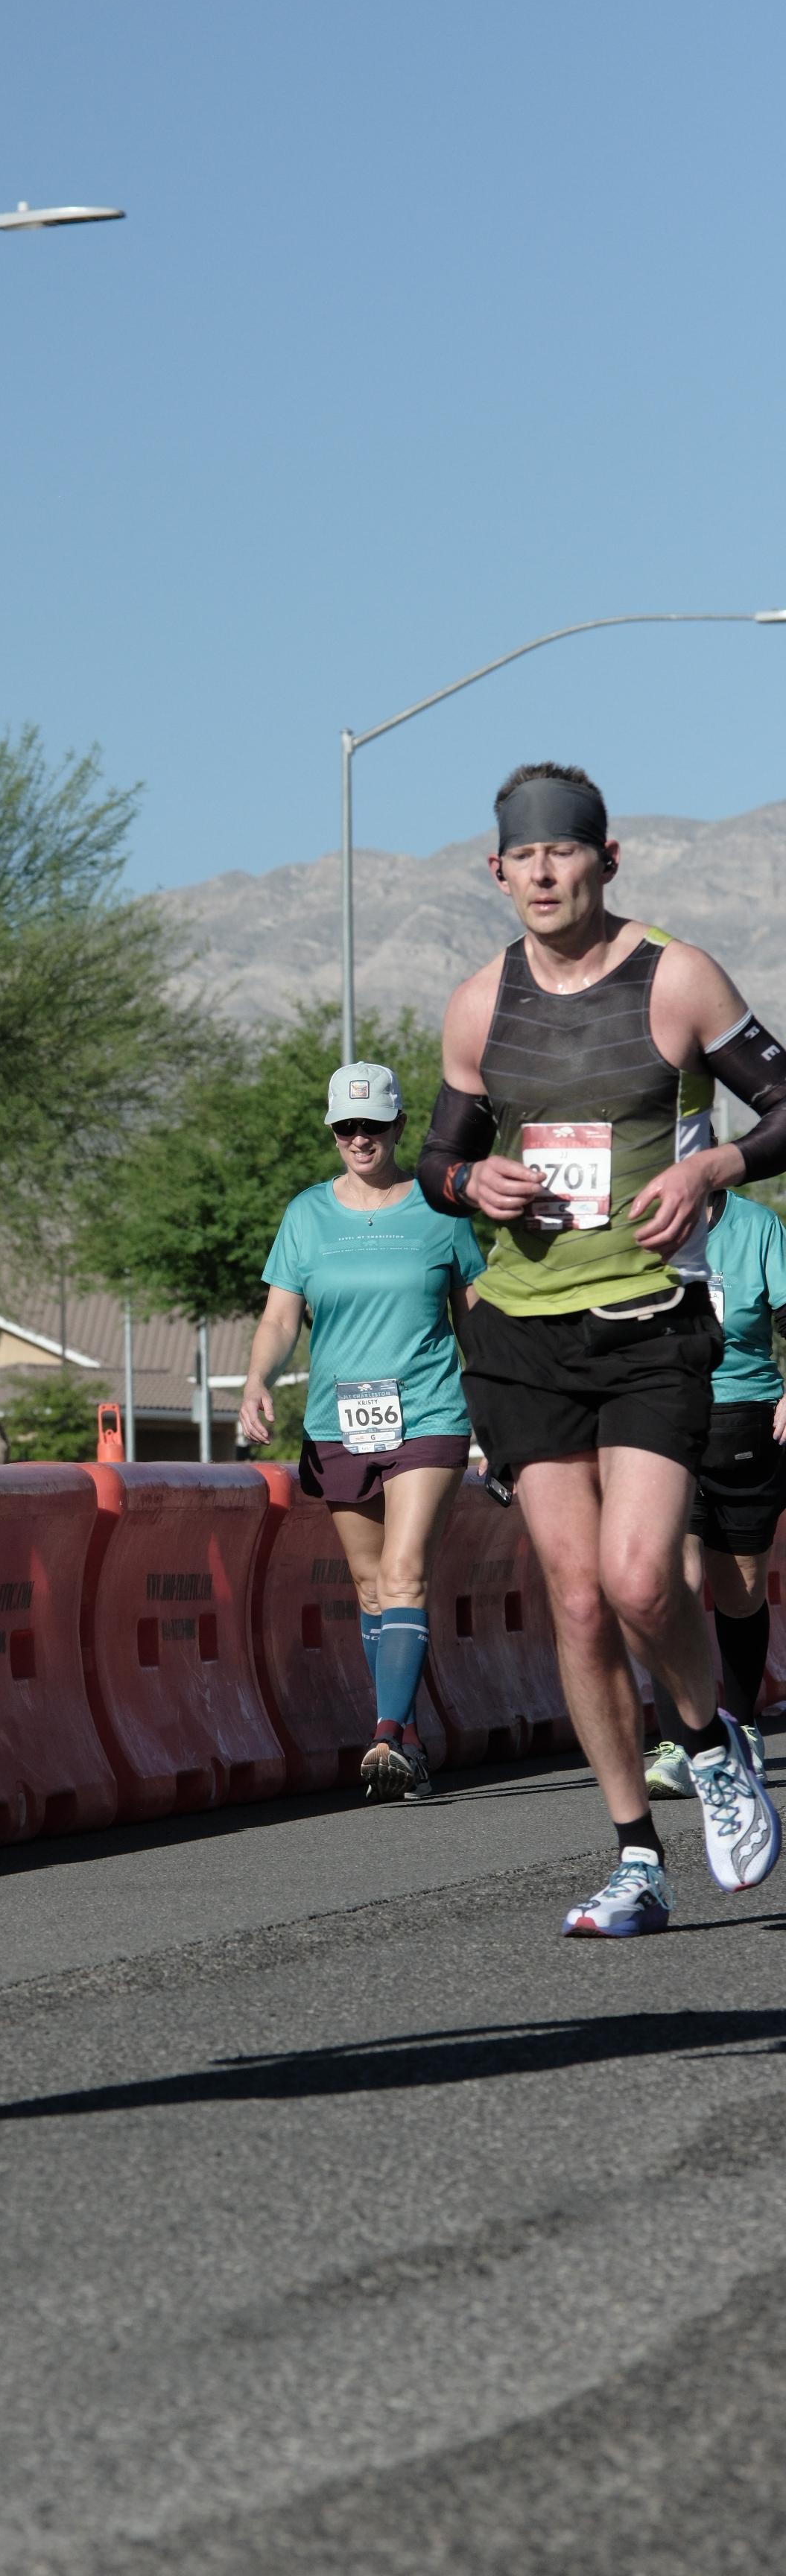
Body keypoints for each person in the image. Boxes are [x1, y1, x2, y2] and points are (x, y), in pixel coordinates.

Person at [417, 761, 786, 1935]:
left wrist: (711, 1164)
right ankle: (635, 1857)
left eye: (563, 852)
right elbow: (436, 1162)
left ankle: (709, 1740)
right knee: (578, 1603)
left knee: (639, 1579)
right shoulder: (478, 1004)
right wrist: (470, 1183)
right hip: (520, 1334)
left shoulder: (676, 978)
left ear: (606, 859)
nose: (543, 874)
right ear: (496, 871)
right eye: (522, 857)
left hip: (650, 1324)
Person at [238, 1060, 481, 1802]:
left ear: (399, 1126)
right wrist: (256, 1379)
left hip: (429, 1414)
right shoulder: (306, 1215)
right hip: (339, 1422)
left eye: (372, 1124)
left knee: (404, 1572)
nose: (359, 1138)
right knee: (372, 1588)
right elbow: (281, 1317)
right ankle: (408, 1741)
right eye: (345, 1126)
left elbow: (475, 1318)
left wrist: (503, 1406)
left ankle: (383, 1733)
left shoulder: (441, 1211)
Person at [643, 1184, 786, 1796]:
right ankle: (680, 1740)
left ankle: (743, 1725)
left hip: (745, 1420)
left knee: (741, 1592)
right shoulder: (636, 1220)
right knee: (669, 1583)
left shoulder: (757, 1226)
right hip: (659, 1421)